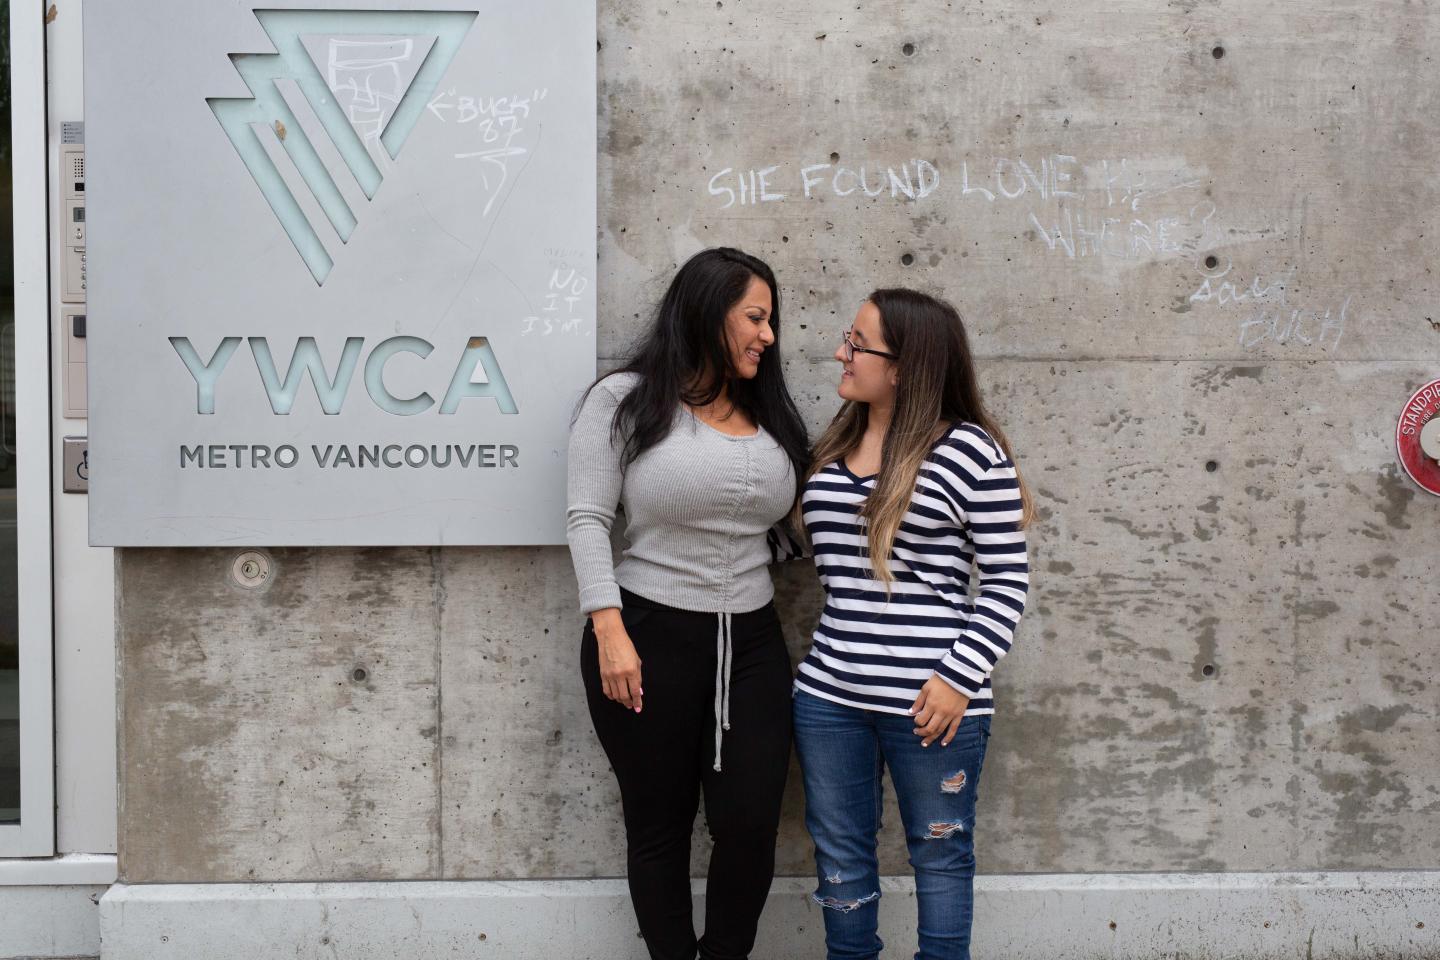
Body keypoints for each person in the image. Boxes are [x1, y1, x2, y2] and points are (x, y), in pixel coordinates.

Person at [566, 247, 809, 960]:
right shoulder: (625, 400)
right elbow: (588, 518)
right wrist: (609, 630)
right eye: (755, 318)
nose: (768, 335)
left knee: (750, 827)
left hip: (753, 643)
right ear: (707, 312)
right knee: (659, 827)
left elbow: (786, 530)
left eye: (771, 321)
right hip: (645, 635)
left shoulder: (767, 412)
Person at [792, 288, 1032, 960]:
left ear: (903, 367)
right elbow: (806, 548)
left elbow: (1007, 583)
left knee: (940, 852)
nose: (840, 352)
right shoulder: (835, 444)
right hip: (830, 697)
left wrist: (958, 680)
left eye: (857, 343)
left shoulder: (970, 452)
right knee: (840, 857)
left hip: (933, 703)